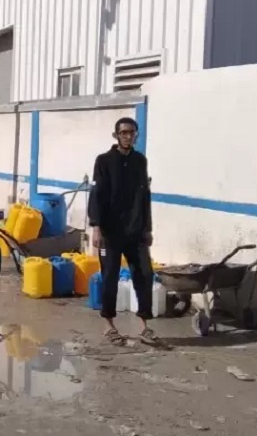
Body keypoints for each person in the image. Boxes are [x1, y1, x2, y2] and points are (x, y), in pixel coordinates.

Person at [88, 117, 157, 346]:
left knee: (145, 274)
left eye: (132, 133)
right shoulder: (104, 161)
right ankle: (109, 325)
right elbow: (97, 195)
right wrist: (96, 227)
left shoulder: (140, 161)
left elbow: (144, 196)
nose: (128, 136)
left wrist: (147, 228)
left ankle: (144, 325)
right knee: (110, 276)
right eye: (124, 132)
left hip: (135, 231)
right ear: (116, 135)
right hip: (110, 232)